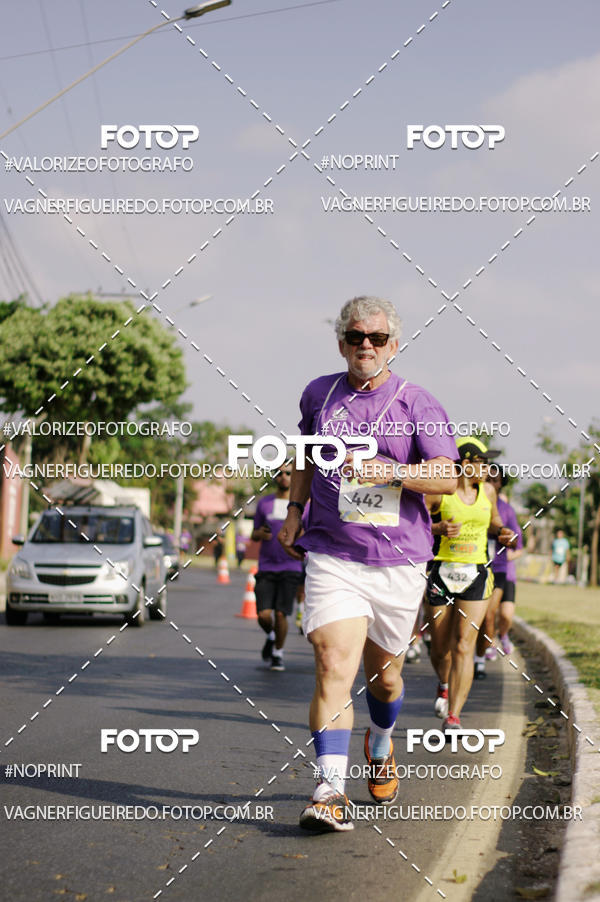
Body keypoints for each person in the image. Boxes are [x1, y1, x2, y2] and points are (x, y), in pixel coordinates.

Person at [277, 295, 458, 833]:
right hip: (333, 552)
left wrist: (390, 473)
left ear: (393, 345)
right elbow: (308, 456)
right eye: (356, 337)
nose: (366, 347)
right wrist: (293, 510)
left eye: (377, 339)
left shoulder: (416, 402)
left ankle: (380, 741)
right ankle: (330, 789)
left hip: (397, 559)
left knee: (385, 679)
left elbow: (447, 477)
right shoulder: (319, 394)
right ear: (342, 343)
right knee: (333, 662)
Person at [425, 437, 514, 727]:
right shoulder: (440, 492)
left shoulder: (487, 490)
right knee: (440, 649)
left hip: (476, 573)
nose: (487, 469)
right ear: (466, 463)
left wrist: (503, 532)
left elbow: (495, 521)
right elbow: (415, 524)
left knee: (464, 645)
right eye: (483, 463)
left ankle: (454, 716)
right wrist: (438, 527)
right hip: (442, 570)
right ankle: (443, 682)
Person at [252, 467, 304, 671]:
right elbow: (254, 533)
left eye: (288, 473)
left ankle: (278, 654)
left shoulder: (302, 506)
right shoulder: (264, 503)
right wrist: (260, 534)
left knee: (281, 614)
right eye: (279, 473)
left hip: (291, 566)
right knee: (264, 615)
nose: (284, 477)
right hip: (266, 565)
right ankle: (271, 636)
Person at [476, 469, 523, 664]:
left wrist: (505, 536)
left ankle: (488, 646)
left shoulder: (506, 509)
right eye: (488, 479)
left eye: (496, 480)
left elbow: (516, 541)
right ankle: (479, 649)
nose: (491, 484)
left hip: (498, 569)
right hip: (473, 565)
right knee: (478, 615)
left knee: (490, 614)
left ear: (501, 484)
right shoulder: (473, 501)